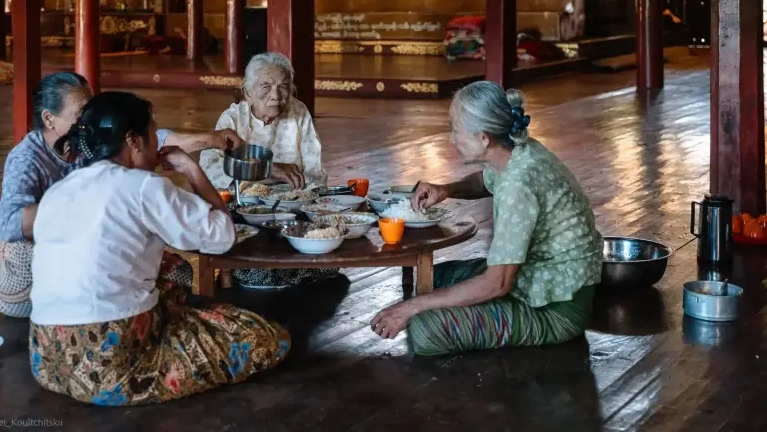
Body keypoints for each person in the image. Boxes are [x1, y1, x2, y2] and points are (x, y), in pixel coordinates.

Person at [29, 91, 290, 405]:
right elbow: (222, 236)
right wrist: (192, 170)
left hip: (47, 360)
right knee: (264, 339)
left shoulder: (59, 191)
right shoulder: (142, 186)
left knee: (172, 266)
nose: (157, 143)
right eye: (153, 133)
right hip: (110, 367)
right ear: (134, 141)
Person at [370, 81, 602, 356]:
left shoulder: (519, 185)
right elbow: (485, 180)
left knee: (425, 330)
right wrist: (448, 189)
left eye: (456, 130)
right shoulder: (515, 150)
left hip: (555, 307)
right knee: (435, 277)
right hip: (535, 277)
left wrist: (411, 307)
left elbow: (497, 283)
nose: (451, 139)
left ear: (483, 138)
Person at [0, 71, 242, 318]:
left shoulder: (91, 151)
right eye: (80, 114)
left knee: (174, 270)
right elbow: (10, 224)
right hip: (30, 274)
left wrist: (210, 139)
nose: (89, 119)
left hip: (50, 334)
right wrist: (94, 201)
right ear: (49, 119)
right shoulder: (27, 159)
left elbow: (155, 139)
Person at [200, 52, 335, 289]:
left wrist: (307, 200)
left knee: (329, 261)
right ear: (247, 92)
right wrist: (266, 171)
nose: (276, 96)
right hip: (246, 212)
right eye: (266, 87)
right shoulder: (233, 119)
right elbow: (210, 170)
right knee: (258, 264)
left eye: (284, 86)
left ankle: (283, 269)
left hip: (292, 212)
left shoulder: (298, 112)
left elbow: (314, 172)